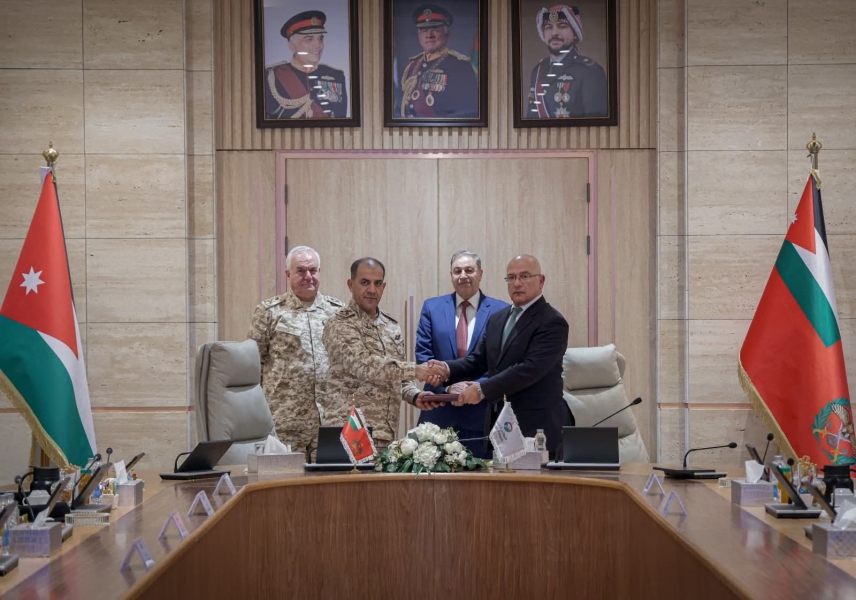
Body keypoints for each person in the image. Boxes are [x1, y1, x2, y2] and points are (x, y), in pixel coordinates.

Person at [430, 255, 574, 456]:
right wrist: (445, 369)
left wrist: (481, 390)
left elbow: (529, 369)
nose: (517, 283)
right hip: (500, 424)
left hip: (538, 426)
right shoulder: (498, 319)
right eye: (511, 277)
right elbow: (477, 360)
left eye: (525, 276)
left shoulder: (552, 322)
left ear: (541, 280)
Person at [247, 246, 344, 459]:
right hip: (285, 420)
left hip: (329, 419)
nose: (308, 276)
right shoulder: (270, 312)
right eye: (301, 270)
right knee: (285, 478)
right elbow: (252, 365)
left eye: (313, 270)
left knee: (329, 478)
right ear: (288, 274)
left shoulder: (338, 312)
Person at [415, 251, 508, 457]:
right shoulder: (432, 308)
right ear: (451, 275)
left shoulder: (501, 311)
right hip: (439, 415)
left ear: (480, 273)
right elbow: (424, 355)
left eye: (469, 270)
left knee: (482, 476)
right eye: (457, 271)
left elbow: (502, 362)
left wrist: (476, 387)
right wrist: (449, 387)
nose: (463, 275)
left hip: (481, 416)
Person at [263, 10, 348, 119]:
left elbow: (341, 121)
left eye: (320, 38)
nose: (318, 45)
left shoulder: (336, 76)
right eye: (309, 39)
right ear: (292, 46)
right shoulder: (270, 77)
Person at [526, 5, 607, 118]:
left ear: (575, 34)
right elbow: (531, 119)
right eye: (549, 27)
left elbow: (597, 123)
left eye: (562, 26)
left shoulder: (591, 71)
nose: (554, 33)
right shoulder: (538, 70)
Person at [398, 4, 478, 119]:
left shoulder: (460, 67)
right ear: (419, 36)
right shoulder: (412, 66)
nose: (429, 35)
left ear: (447, 34)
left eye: (435, 28)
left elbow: (467, 113)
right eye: (424, 30)